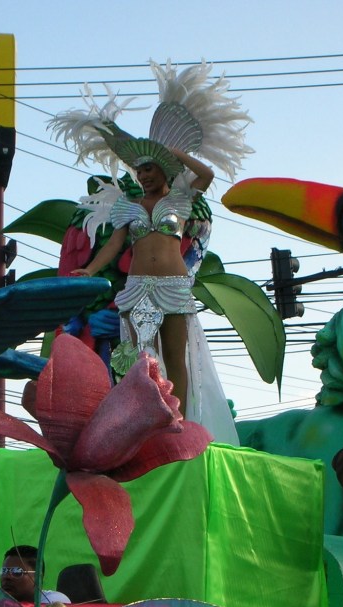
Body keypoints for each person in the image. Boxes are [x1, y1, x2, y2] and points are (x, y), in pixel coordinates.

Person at [50, 60, 250, 445]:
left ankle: (178, 420)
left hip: (174, 286)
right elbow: (115, 243)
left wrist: (175, 153)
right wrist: (91, 269)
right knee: (141, 357)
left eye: (149, 168)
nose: (142, 175)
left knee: (176, 357)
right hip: (138, 287)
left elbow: (207, 175)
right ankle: (143, 419)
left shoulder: (181, 199)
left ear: (163, 169)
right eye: (138, 170)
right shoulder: (128, 206)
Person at [0, 545, 70, 605]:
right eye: (4, 571)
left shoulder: (54, 602)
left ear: (38, 577)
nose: (6, 576)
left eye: (17, 572)